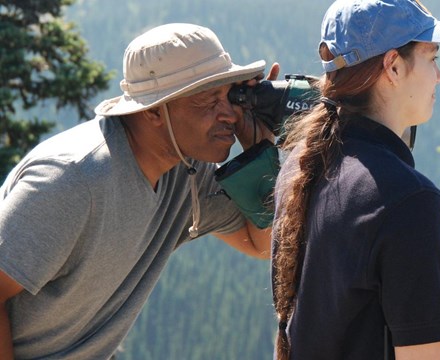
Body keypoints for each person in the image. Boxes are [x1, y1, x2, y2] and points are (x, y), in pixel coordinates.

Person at [0, 23, 279, 359]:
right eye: (208, 98)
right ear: (152, 110)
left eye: (230, 94)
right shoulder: (71, 180)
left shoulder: (186, 171)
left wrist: (260, 155)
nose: (230, 114)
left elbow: (259, 242)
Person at [271, 1, 440, 359]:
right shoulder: (408, 200)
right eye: (433, 58)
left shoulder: (300, 164)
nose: (439, 76)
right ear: (394, 66)